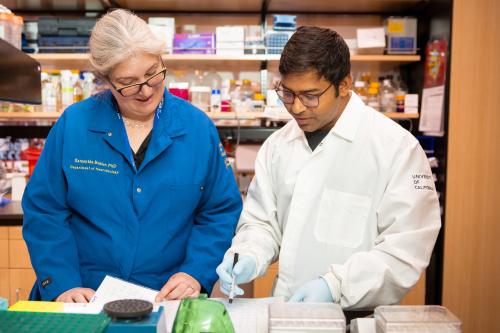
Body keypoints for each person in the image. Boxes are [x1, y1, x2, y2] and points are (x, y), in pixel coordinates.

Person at [22, 9, 242, 303]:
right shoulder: (74, 125)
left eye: (153, 73)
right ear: (106, 80)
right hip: (85, 295)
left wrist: (196, 272)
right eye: (129, 82)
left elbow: (219, 211)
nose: (146, 90)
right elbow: (45, 211)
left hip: (165, 298)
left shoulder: (197, 129)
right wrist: (62, 285)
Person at [216, 26, 441, 309]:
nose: (296, 108)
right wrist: (247, 254)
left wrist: (335, 286)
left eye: (310, 95)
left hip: (357, 315)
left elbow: (405, 250)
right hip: (286, 310)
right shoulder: (277, 146)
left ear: (344, 84)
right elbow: (263, 223)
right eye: (287, 93)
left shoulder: (396, 148)